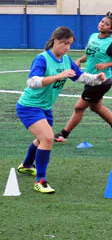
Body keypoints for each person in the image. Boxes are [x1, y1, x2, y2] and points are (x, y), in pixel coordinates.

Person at [16, 27, 106, 193]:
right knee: (48, 138)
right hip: (29, 107)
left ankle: (27, 165)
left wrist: (96, 79)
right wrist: (57, 76)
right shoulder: (42, 59)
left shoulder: (66, 59)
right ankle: (40, 181)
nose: (67, 47)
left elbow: (79, 76)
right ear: (55, 40)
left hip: (45, 108)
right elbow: (32, 82)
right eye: (65, 43)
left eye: (70, 44)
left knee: (42, 139)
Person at [54, 15, 112, 143]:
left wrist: (106, 65)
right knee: (96, 107)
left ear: (111, 29)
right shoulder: (93, 36)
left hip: (100, 81)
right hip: (90, 79)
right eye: (102, 21)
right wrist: (79, 60)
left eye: (106, 24)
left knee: (79, 108)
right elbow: (89, 54)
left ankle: (63, 134)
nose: (102, 24)